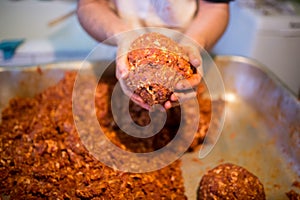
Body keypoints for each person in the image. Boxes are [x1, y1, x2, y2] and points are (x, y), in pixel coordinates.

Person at [77, 0, 232, 109]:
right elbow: (90, 4)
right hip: (114, 42)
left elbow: (215, 7)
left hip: (189, 46)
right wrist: (122, 36)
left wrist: (194, 42)